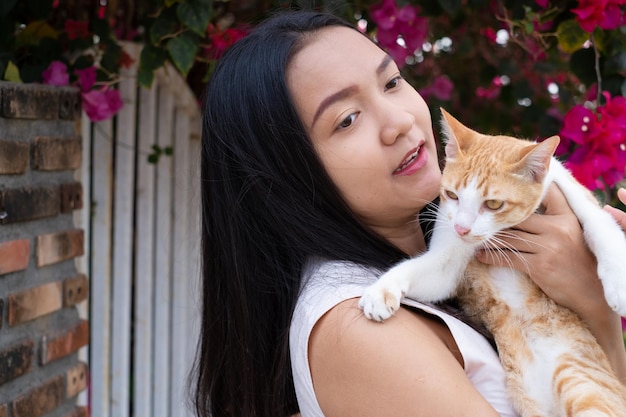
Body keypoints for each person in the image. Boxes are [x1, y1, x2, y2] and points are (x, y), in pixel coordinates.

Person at [194, 10, 626, 417]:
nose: (399, 120)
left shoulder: (455, 245)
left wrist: (593, 304)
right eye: (347, 119)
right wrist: (597, 308)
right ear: (287, 175)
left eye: (392, 81)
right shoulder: (358, 327)